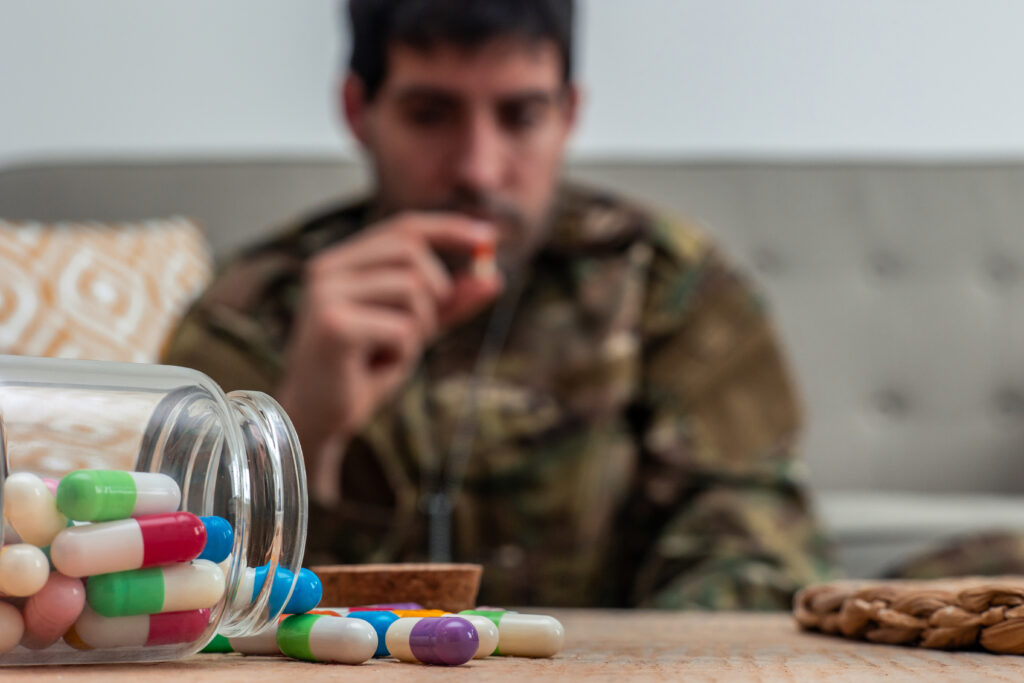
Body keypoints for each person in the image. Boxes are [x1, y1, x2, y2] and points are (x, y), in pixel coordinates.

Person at [164, 0, 834, 609]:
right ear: (357, 110)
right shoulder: (251, 311)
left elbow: (753, 548)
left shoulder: (665, 281)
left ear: (569, 113)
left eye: (521, 116)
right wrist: (304, 431)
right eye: (430, 114)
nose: (479, 170)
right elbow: (171, 581)